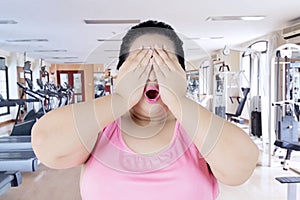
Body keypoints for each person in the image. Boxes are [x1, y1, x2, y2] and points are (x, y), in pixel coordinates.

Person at [32, 20, 259, 200]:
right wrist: (120, 98)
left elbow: (240, 168)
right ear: (121, 73)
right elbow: (46, 143)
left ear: (180, 73)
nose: (152, 74)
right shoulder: (99, 127)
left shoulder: (197, 129)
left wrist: (179, 101)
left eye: (163, 64)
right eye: (140, 64)